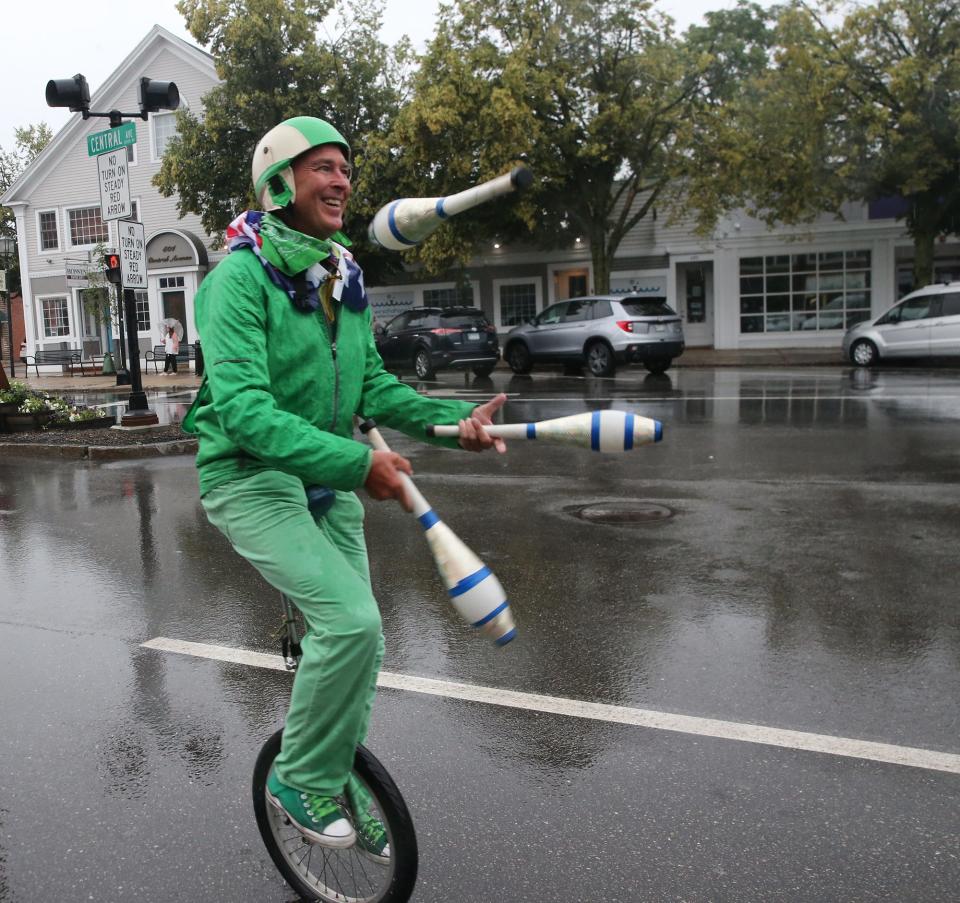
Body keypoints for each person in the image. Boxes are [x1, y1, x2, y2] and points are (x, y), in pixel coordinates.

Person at [183, 116, 506, 856]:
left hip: (322, 480)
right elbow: (244, 412)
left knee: (363, 639)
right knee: (351, 622)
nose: (341, 181)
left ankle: (335, 776)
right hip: (252, 476)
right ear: (278, 183)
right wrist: (362, 465)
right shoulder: (236, 279)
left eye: (345, 170)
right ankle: (298, 777)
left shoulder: (342, 275)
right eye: (323, 167)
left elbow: (375, 389)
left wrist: (456, 424)